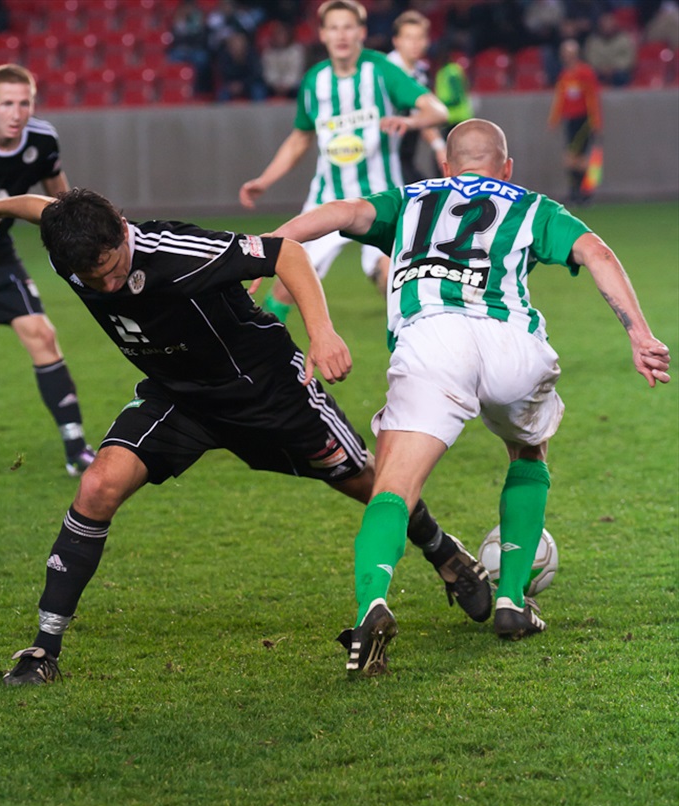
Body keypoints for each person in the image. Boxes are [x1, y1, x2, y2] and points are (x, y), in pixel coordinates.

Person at [0, 187, 492, 686]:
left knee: (365, 481)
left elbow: (285, 252)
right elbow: (43, 208)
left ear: (122, 228)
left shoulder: (178, 253)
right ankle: (44, 650)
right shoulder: (72, 246)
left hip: (268, 389)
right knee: (97, 487)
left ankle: (442, 550)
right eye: (95, 279)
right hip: (178, 397)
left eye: (114, 269)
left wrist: (322, 332)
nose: (109, 286)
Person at [268, 118, 671, 675]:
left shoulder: (410, 199)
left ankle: (371, 608)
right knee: (529, 454)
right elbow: (596, 251)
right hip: (513, 344)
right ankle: (511, 601)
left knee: (394, 488)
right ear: (506, 168)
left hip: (433, 342)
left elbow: (339, 214)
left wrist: (262, 248)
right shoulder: (531, 204)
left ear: (447, 166)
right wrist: (639, 333)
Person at [238, 0, 448, 320]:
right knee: (287, 284)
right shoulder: (315, 81)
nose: (341, 35)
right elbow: (300, 138)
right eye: (333, 27)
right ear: (322, 34)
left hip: (381, 198)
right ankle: (256, 354)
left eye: (348, 27)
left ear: (361, 32)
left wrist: (410, 122)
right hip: (326, 199)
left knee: (398, 279)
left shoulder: (380, 70)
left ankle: (416, 349)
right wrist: (264, 181)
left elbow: (438, 110)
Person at [0, 64, 94, 477]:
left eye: (24, 102)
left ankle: (76, 448)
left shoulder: (43, 140)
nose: (16, 112)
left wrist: (80, 232)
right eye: (6, 103)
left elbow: (59, 196)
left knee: (43, 334)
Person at [387, 10, 448, 183]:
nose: (414, 44)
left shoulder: (422, 73)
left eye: (419, 37)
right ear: (396, 41)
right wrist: (438, 146)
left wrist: (439, 147)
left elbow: (423, 116)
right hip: (381, 159)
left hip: (404, 157)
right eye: (408, 37)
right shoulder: (383, 73)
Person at [547, 39, 602, 205]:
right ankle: (577, 192)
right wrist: (554, 118)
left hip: (583, 119)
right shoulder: (564, 75)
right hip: (569, 120)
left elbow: (593, 97)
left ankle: (584, 192)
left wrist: (596, 121)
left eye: (570, 54)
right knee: (573, 158)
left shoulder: (585, 73)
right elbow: (560, 99)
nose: (566, 57)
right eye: (564, 54)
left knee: (578, 158)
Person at [584, 10, 637, 87]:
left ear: (614, 24)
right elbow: (590, 59)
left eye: (610, 23)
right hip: (599, 71)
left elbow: (629, 59)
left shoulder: (624, 39)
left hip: (618, 71)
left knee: (622, 76)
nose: (607, 26)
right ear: (600, 25)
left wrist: (614, 68)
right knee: (588, 76)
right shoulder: (593, 41)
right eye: (605, 24)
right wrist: (602, 68)